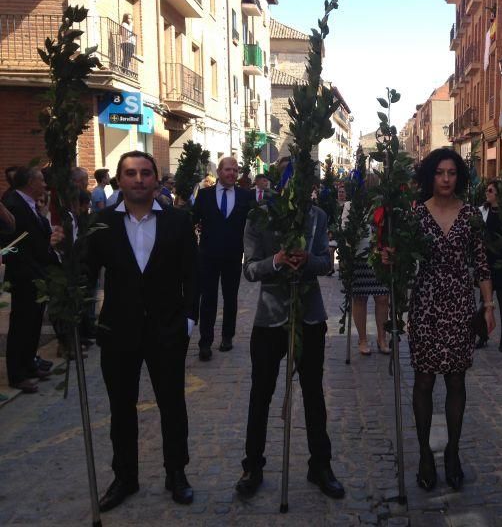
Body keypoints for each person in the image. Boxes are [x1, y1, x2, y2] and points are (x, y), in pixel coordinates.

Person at [86, 151, 198, 512]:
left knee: (172, 405)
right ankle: (125, 477)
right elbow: (86, 274)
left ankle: (176, 472)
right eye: (131, 173)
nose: (138, 179)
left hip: (167, 329)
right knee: (121, 408)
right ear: (119, 180)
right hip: (119, 330)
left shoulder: (178, 222)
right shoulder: (101, 223)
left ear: (155, 179)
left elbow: (193, 277)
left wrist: (189, 321)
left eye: (146, 173)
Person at [383, 148, 494, 492]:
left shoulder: (471, 215)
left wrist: (488, 305)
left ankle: (453, 453)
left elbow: (482, 264)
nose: (446, 179)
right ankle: (425, 455)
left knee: (457, 382)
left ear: (458, 176)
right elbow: (400, 261)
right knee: (424, 382)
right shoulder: (415, 216)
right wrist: (388, 257)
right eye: (440, 173)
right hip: (426, 304)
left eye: (452, 173)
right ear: (430, 176)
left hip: (460, 304)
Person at [235, 159, 344, 500]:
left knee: (313, 392)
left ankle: (320, 465)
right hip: (270, 319)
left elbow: (327, 262)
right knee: (261, 394)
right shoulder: (259, 216)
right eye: (293, 180)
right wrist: (278, 261)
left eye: (307, 181)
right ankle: (253, 465)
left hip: (309, 316)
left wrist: (307, 261)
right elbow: (250, 270)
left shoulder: (319, 216)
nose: (300, 187)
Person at [2, 167, 63, 393]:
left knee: (34, 322)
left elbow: (39, 235)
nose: (44, 184)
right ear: (29, 182)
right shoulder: (13, 203)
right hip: (25, 276)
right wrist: (25, 266)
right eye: (40, 180)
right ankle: (17, 373)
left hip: (39, 273)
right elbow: (10, 245)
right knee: (21, 324)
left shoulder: (31, 203)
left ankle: (29, 364)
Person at [193, 157, 253, 360]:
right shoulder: (204, 195)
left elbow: (253, 225)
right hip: (208, 256)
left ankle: (227, 336)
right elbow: (192, 220)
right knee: (208, 299)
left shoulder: (246, 196)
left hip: (233, 255)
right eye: (228, 170)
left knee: (230, 298)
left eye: (235, 170)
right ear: (219, 172)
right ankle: (205, 342)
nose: (232, 174)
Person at [341, 173, 390, 355]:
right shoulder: (351, 207)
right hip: (359, 257)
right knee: (360, 298)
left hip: (379, 257)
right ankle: (362, 339)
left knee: (383, 298)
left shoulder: (383, 207)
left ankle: (382, 338)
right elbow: (346, 231)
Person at [480, 179, 502, 351]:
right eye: (487, 190)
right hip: (486, 259)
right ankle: (482, 335)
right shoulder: (482, 211)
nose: (487, 193)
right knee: (484, 300)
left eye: (490, 191)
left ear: (498, 194)